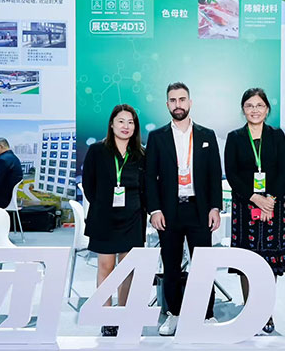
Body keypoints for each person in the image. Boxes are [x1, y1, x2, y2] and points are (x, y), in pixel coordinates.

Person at [146, 82, 222, 336]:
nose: (177, 104)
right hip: (169, 212)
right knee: (171, 266)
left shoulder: (206, 135)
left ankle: (207, 313)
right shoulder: (157, 137)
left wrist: (215, 207)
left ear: (190, 102)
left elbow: (214, 174)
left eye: (182, 99)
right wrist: (154, 210)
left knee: (204, 264)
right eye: (173, 100)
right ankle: (174, 314)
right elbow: (149, 177)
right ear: (167, 104)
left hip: (199, 209)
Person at [224, 88, 285, 334]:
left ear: (267, 109)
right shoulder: (235, 137)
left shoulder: (277, 135)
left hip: (273, 205)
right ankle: (250, 310)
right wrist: (255, 198)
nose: (255, 110)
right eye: (249, 105)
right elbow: (232, 173)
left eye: (259, 105)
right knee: (247, 260)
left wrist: (269, 200)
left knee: (270, 260)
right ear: (243, 109)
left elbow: (283, 170)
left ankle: (266, 311)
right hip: (245, 205)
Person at [82, 104, 146, 337]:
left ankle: (123, 314)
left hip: (133, 218)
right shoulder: (97, 151)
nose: (125, 126)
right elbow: (89, 184)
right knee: (106, 267)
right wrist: (102, 205)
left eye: (130, 122)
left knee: (127, 269)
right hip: (104, 218)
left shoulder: (141, 153)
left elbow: (146, 186)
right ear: (111, 124)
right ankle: (107, 318)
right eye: (121, 121)